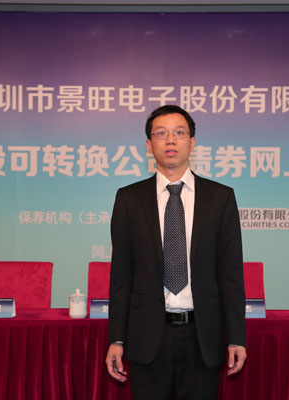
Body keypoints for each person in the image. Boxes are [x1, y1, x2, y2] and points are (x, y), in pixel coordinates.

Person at [105, 105, 246, 399]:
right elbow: (121, 275)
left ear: (192, 142)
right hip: (147, 337)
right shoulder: (129, 199)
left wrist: (236, 337)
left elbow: (230, 274)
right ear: (149, 144)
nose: (170, 140)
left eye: (179, 133)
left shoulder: (220, 198)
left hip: (202, 337)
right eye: (161, 133)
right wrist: (116, 338)